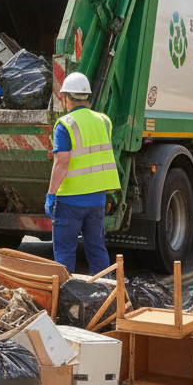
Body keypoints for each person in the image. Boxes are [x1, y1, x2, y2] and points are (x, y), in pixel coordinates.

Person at [45, 72, 119, 273]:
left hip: (70, 200)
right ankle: (106, 294)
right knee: (96, 249)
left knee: (65, 252)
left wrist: (51, 195)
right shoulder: (104, 121)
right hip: (97, 200)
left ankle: (66, 299)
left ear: (67, 97)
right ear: (87, 97)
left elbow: (62, 163)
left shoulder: (65, 124)